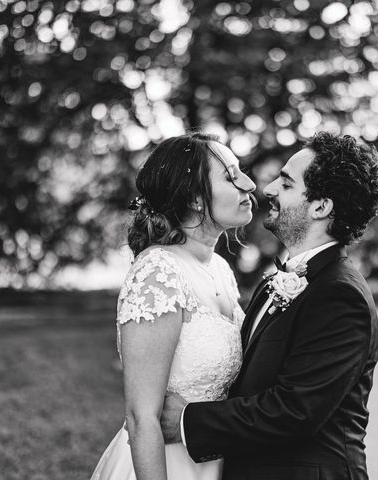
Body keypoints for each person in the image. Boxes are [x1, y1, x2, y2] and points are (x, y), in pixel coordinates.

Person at [160, 131, 378, 480]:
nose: (266, 190)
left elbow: (295, 410)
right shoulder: (276, 283)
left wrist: (187, 420)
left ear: (320, 206)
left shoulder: (340, 295)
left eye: (285, 183)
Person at [90, 132, 256, 480]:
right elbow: (141, 416)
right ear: (195, 198)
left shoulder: (220, 270)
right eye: (230, 176)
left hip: (213, 457)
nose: (250, 184)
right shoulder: (159, 271)